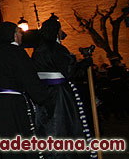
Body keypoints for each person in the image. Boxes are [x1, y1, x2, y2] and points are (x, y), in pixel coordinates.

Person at [32, 14, 95, 158]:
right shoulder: (57, 49)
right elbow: (69, 71)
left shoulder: (38, 50)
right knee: (64, 124)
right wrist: (84, 64)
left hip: (44, 92)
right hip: (60, 94)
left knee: (49, 125)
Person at [0, 22, 51, 158]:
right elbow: (29, 78)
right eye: (19, 31)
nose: (21, 34)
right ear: (13, 35)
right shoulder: (16, 52)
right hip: (12, 105)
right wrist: (45, 97)